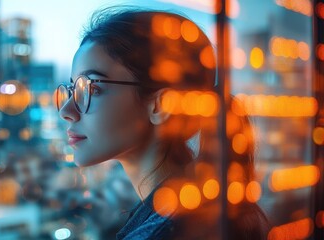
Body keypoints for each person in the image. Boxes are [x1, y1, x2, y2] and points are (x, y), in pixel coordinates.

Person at [56, 6, 269, 239]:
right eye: (71, 90)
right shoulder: (201, 205)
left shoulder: (166, 229)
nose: (67, 111)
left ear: (161, 105)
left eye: (91, 89)